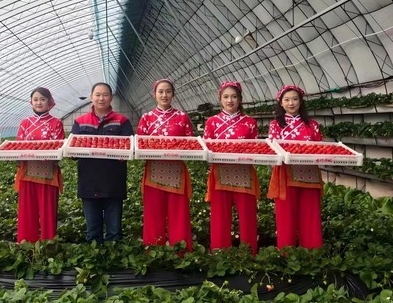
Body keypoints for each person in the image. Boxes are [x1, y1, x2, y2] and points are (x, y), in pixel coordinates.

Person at [71, 82, 133, 244]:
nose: (101, 98)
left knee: (114, 229)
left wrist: (124, 154)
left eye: (105, 95)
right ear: (91, 97)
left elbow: (130, 147)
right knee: (92, 230)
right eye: (97, 95)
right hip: (89, 181)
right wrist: (71, 152)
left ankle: (114, 253)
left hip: (113, 181)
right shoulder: (80, 121)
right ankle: (95, 252)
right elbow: (72, 149)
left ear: (111, 98)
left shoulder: (122, 121)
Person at [137, 79, 194, 251]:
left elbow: (190, 143)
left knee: (179, 215)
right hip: (153, 172)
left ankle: (181, 251)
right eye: (160, 92)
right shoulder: (146, 118)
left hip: (176, 172)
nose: (164, 95)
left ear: (173, 94)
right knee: (153, 215)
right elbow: (140, 144)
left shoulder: (182, 117)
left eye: (168, 91)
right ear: (154, 94)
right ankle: (154, 252)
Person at [204, 82, 259, 255]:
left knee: (248, 216)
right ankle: (220, 253)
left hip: (244, 174)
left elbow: (255, 148)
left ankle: (248, 253)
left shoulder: (250, 122)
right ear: (220, 99)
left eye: (234, 97)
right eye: (226, 97)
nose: (230, 100)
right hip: (220, 173)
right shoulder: (212, 122)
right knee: (220, 216)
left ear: (240, 99)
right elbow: (206, 148)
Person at [267, 85, 323, 249]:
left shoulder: (312, 125)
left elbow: (319, 148)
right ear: (281, 103)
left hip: (309, 174)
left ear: (301, 101)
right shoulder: (275, 125)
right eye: (287, 100)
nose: (291, 103)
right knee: (286, 215)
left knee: (310, 214)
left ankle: (312, 251)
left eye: (295, 99)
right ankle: (286, 252)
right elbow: (273, 150)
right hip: (285, 174)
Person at [15, 87, 65, 243]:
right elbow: (18, 146)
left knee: (48, 212)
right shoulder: (25, 123)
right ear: (31, 102)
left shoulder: (56, 123)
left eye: (43, 99)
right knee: (27, 211)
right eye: (35, 99)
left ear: (49, 102)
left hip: (48, 174)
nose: (39, 102)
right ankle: (26, 244)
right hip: (27, 174)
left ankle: (47, 244)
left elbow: (59, 147)